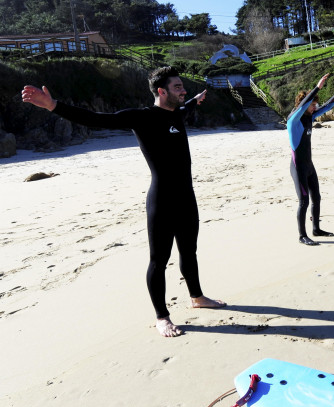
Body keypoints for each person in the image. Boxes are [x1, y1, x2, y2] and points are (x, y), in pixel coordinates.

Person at [21, 66, 226, 338]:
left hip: (187, 198)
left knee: (189, 251)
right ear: (162, 91)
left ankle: (197, 297)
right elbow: (96, 119)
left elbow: (185, 108)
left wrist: (193, 101)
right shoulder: (141, 117)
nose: (183, 90)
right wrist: (53, 105)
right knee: (159, 260)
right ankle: (162, 317)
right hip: (162, 200)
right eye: (178, 87)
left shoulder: (178, 113)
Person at [287, 73, 334, 246]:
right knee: (304, 201)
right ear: (305, 105)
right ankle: (302, 236)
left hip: (309, 166)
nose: (315, 107)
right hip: (298, 167)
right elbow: (302, 106)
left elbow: (328, 107)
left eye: (315, 105)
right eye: (312, 105)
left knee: (317, 198)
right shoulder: (293, 121)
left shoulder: (310, 117)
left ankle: (316, 229)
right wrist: (318, 87)